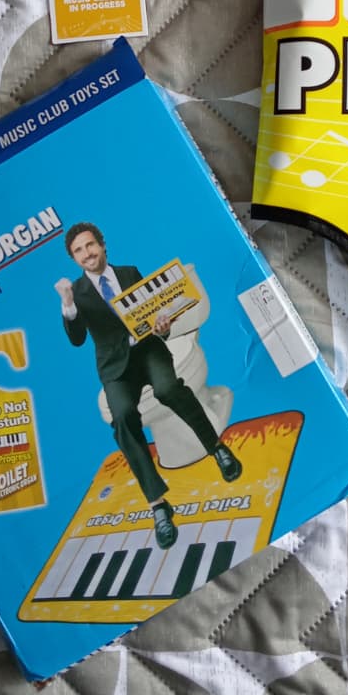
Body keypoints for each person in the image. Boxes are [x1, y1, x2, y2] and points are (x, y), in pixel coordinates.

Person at [55, 222, 241, 551]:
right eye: (79, 251)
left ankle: (217, 449)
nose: (87, 253)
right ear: (74, 259)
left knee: (169, 390)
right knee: (122, 417)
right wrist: (67, 303)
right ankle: (158, 505)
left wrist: (163, 325)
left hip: (149, 352)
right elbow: (77, 338)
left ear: (102, 244)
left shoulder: (129, 273)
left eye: (90, 245)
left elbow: (155, 314)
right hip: (115, 369)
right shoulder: (77, 294)